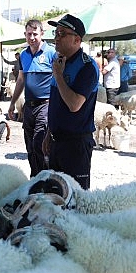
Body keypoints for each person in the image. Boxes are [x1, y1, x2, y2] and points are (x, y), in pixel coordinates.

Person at [43, 14, 99, 190]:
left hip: (76, 144)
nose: (56, 38)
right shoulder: (59, 62)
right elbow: (56, 104)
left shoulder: (87, 66)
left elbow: (74, 105)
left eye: (62, 33)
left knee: (75, 198)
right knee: (54, 194)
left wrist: (59, 76)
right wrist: (48, 133)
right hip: (56, 141)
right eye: (56, 33)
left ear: (77, 39)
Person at [6, 19, 57, 177]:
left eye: (35, 34)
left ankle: (44, 177)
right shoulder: (23, 54)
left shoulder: (51, 53)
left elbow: (59, 78)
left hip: (46, 104)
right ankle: (35, 177)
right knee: (29, 146)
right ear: (25, 35)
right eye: (29, 34)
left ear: (42, 34)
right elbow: (21, 80)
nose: (32, 37)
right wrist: (12, 103)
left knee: (39, 143)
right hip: (29, 106)